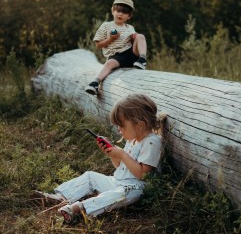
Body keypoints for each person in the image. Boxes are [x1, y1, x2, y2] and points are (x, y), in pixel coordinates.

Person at [34, 94, 165, 224]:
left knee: (121, 194)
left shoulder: (151, 142)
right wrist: (113, 154)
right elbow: (120, 167)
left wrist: (123, 155)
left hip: (136, 188)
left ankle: (79, 208)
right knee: (91, 176)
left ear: (140, 125)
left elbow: (142, 174)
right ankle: (61, 197)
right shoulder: (133, 139)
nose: (119, 129)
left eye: (121, 125)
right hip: (118, 182)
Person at [85, 0, 148, 95]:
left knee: (140, 36)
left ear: (129, 16)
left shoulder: (130, 27)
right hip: (116, 56)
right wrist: (111, 39)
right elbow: (98, 45)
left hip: (131, 54)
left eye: (124, 12)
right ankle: (95, 83)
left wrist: (134, 37)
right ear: (113, 11)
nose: (120, 14)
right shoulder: (106, 26)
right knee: (109, 64)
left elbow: (134, 39)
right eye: (118, 10)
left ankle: (142, 59)